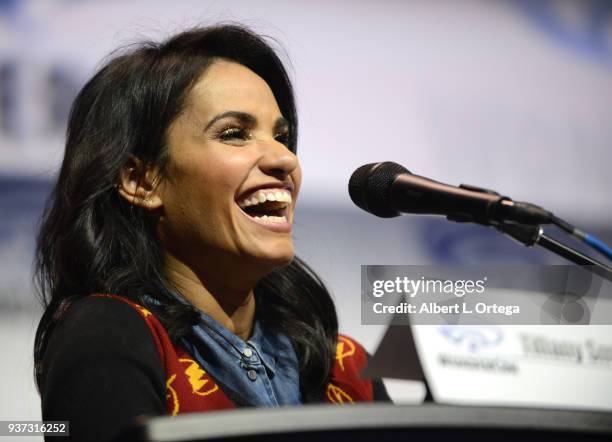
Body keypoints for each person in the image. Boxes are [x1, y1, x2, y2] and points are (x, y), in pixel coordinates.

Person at [33, 24, 390, 442]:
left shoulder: (344, 367)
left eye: (282, 137)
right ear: (140, 181)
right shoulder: (108, 335)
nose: (283, 159)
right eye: (234, 134)